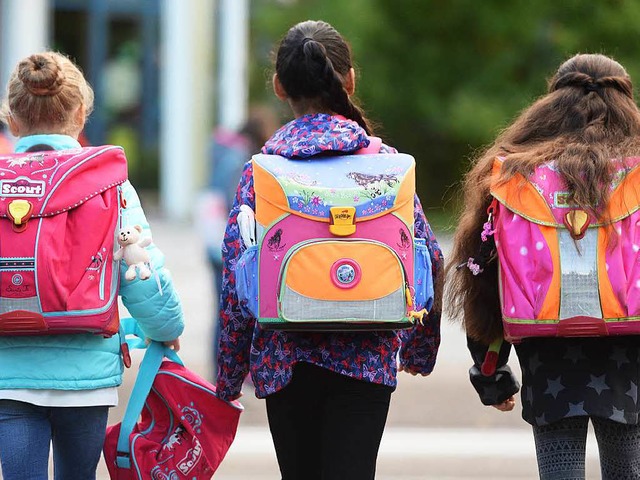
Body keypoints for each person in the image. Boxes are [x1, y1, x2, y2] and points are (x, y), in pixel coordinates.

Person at [216, 20, 443, 480]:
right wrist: (419, 348)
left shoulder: (263, 172)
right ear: (350, 79)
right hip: (367, 354)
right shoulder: (385, 165)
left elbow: (237, 278)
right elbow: (427, 257)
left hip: (285, 359)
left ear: (279, 87)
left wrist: (229, 373)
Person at [447, 53, 640, 479]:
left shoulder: (515, 174)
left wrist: (490, 371)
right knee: (629, 467)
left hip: (548, 349)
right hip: (631, 353)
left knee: (559, 469)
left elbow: (483, 276)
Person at [0, 52, 184, 479]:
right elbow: (141, 269)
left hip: (9, 371)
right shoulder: (108, 182)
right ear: (81, 114)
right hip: (86, 375)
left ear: (12, 120)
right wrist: (166, 328)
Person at [199, 106, 277, 379]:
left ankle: (221, 369)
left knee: (222, 307)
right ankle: (230, 371)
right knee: (234, 308)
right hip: (230, 246)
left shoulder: (225, 154)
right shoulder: (241, 162)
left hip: (213, 242)